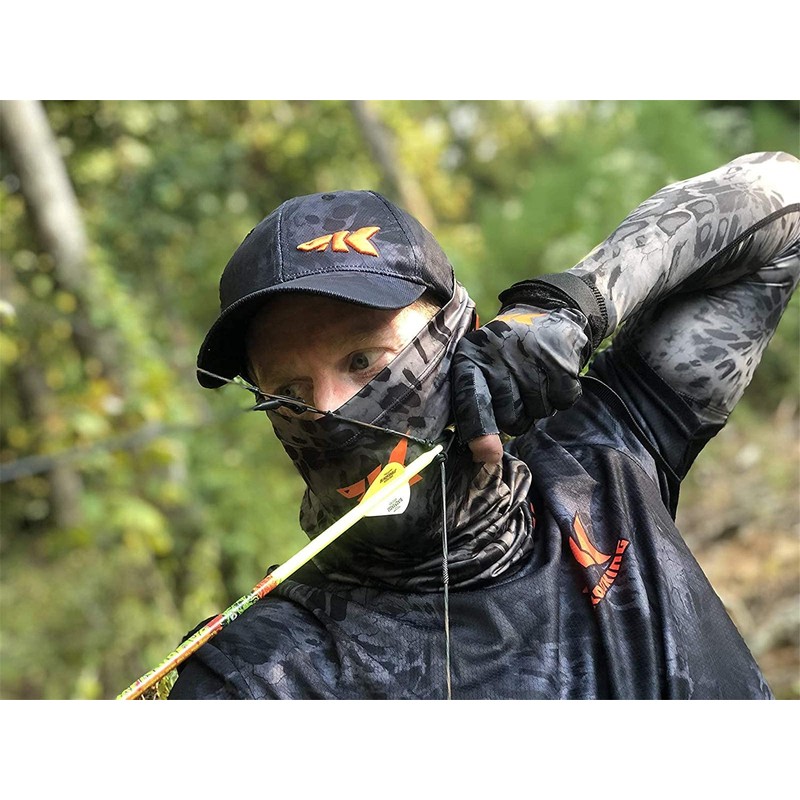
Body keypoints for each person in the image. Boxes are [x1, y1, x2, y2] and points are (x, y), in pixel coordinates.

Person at [170, 151, 800, 700]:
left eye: (363, 361)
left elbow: (782, 190)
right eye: (287, 392)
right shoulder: (264, 675)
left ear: (461, 335)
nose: (329, 412)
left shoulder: (605, 453)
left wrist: (575, 303)